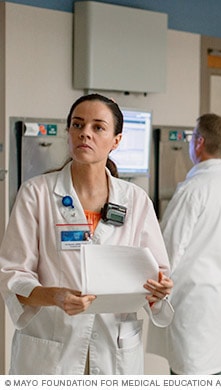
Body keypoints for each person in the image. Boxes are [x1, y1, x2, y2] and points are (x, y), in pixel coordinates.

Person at [0, 93, 173, 375]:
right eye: (78, 125)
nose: (85, 134)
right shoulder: (37, 193)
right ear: (68, 132)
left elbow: (157, 275)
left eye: (98, 127)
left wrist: (160, 290)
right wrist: (53, 296)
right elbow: (12, 275)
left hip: (114, 348)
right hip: (52, 349)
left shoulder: (135, 200)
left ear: (116, 141)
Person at [147, 114, 221, 375]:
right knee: (216, 368)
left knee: (191, 370)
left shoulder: (194, 189)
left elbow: (167, 250)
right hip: (220, 297)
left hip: (193, 300)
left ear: (199, 142)